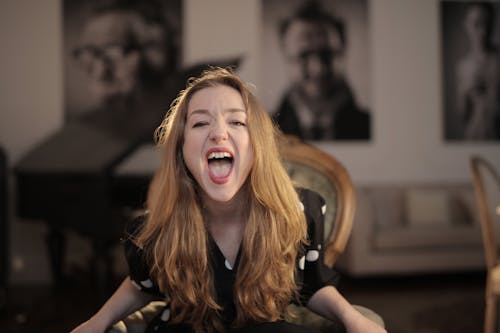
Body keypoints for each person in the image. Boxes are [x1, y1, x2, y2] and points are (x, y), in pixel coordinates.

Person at [70, 68, 385, 333]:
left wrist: (352, 318)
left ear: (256, 146)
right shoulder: (158, 226)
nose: (219, 133)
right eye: (200, 122)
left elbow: (313, 286)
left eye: (236, 122)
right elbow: (140, 285)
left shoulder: (299, 213)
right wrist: (98, 322)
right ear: (181, 150)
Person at [70, 0, 179, 142]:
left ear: (156, 53)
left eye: (113, 52)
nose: (100, 71)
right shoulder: (85, 132)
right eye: (89, 54)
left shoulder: (179, 126)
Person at [274, 1, 371, 141]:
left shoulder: (368, 127)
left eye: (327, 54)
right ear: (285, 57)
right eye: (304, 55)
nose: (317, 69)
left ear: (344, 54)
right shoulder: (264, 132)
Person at [455, 2, 500, 140]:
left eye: (487, 23)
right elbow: (462, 116)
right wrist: (465, 91)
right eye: (476, 24)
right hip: (474, 137)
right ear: (466, 25)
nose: (483, 31)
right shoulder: (463, 66)